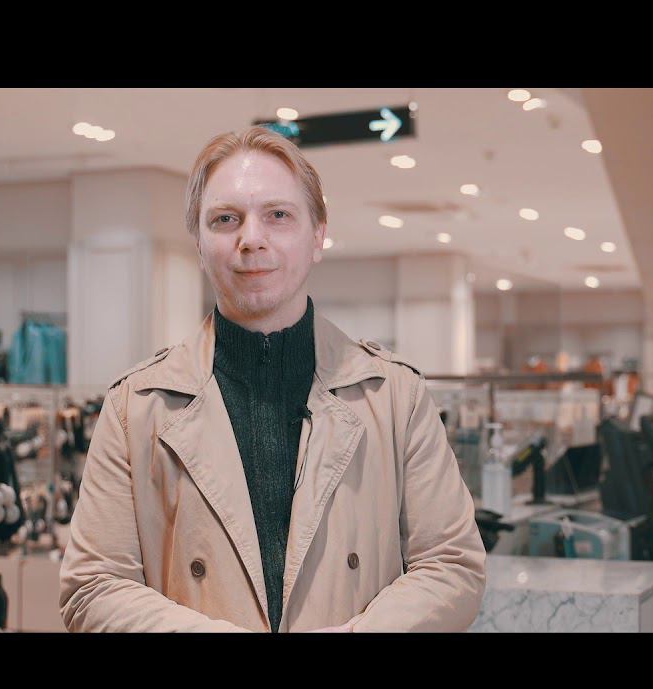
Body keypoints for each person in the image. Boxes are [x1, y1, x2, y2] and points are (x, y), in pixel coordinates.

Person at [59, 127, 486, 632]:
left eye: (278, 215)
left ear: (318, 235)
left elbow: (451, 566)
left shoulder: (396, 397)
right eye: (225, 219)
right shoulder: (135, 407)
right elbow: (94, 587)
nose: (251, 238)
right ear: (199, 244)